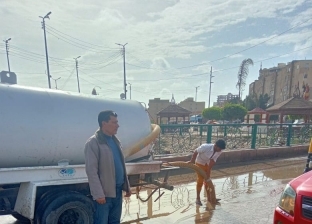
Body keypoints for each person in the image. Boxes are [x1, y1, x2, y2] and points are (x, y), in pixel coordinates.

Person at [84, 110, 131, 224]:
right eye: (114, 122)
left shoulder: (115, 141)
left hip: (118, 191)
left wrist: (127, 186)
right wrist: (98, 194)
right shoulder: (93, 143)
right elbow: (91, 171)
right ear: (104, 123)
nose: (117, 125)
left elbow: (120, 165)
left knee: (115, 221)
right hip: (104, 194)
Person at [189, 139, 226, 206]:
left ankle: (210, 198)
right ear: (215, 145)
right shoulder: (205, 147)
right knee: (200, 180)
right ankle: (198, 198)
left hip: (207, 164)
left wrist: (208, 172)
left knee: (207, 181)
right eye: (219, 148)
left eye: (221, 149)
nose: (220, 150)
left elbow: (213, 161)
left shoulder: (219, 151)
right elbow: (196, 151)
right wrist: (192, 161)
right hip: (199, 163)